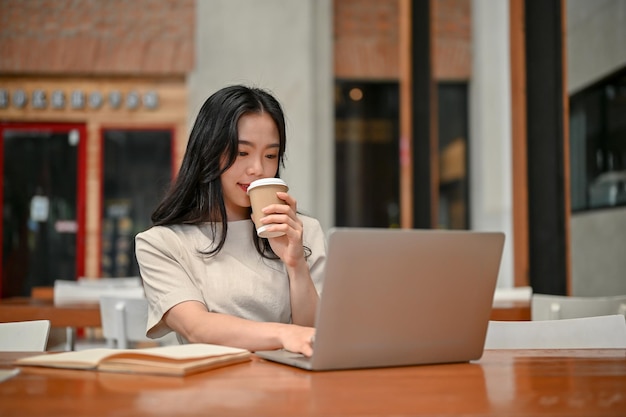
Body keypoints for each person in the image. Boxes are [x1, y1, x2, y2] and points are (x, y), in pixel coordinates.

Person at [135, 85, 326, 357]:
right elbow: (196, 328)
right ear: (208, 152)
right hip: (213, 391)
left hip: (294, 390)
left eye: (270, 155)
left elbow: (315, 336)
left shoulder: (302, 232)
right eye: (242, 152)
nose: (258, 169)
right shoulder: (162, 244)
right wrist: (285, 334)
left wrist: (296, 266)